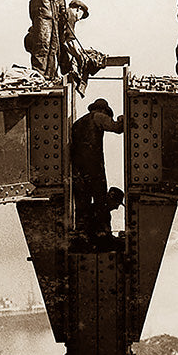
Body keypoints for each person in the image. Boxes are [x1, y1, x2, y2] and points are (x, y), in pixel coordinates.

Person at [70, 98, 124, 247]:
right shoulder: (98, 117)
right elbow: (117, 127)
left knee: (82, 203)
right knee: (101, 201)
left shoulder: (77, 123)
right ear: (103, 110)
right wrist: (122, 119)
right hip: (94, 167)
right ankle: (103, 233)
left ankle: (82, 234)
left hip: (77, 170)